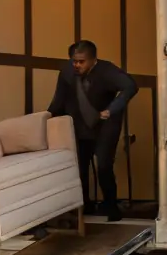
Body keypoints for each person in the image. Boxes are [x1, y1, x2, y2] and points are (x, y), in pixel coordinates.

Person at [47, 39, 137, 221]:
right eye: (74, 61)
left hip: (105, 124)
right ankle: (84, 206)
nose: (77, 65)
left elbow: (131, 86)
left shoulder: (107, 70)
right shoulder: (66, 72)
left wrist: (112, 109)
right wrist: (47, 118)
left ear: (93, 60)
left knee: (104, 165)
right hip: (79, 124)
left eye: (81, 61)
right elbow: (59, 99)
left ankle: (111, 208)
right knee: (79, 166)